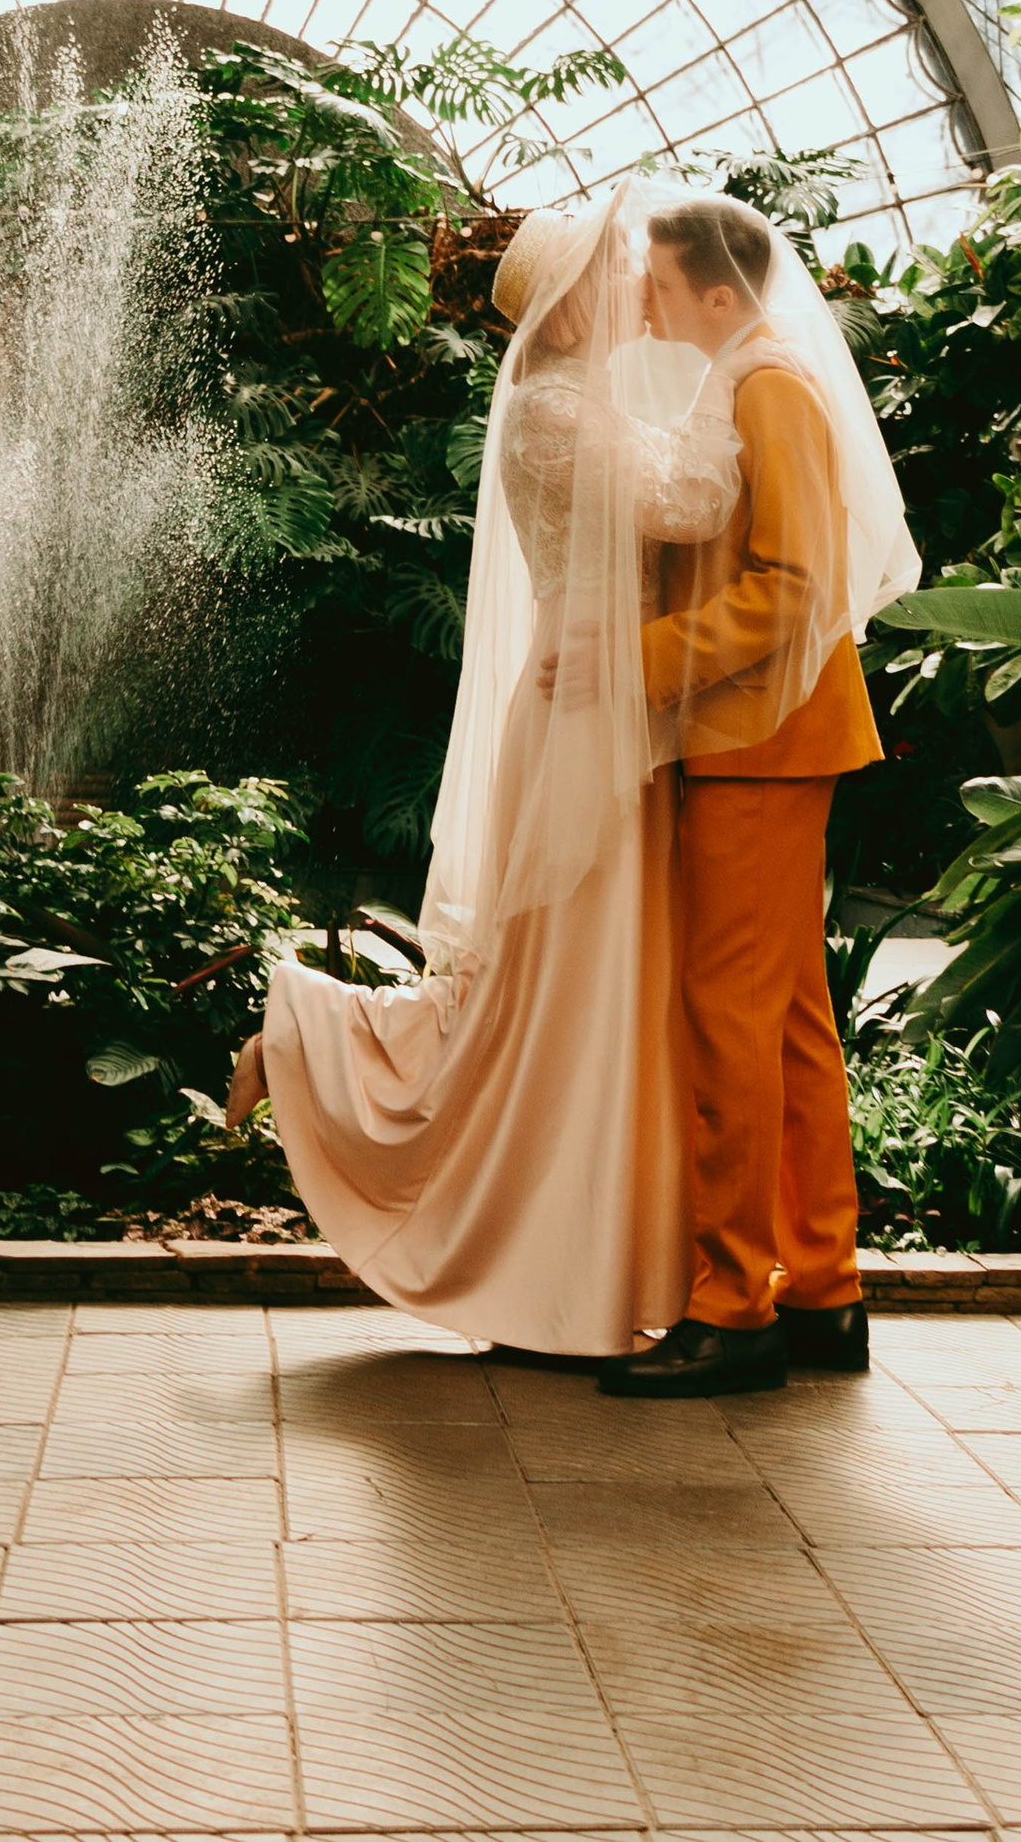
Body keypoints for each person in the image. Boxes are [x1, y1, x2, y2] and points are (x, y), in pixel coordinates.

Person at [222, 192, 744, 1357]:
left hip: (600, 703)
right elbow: (690, 501)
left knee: (560, 994)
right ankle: (316, 1051)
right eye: (614, 274)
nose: (631, 286)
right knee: (561, 993)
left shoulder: (577, 406)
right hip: (581, 720)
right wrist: (734, 376)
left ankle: (568, 1266)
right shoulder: (560, 412)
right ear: (561, 316)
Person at [598, 190, 920, 1399]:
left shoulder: (765, 386)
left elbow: (792, 585)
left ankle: (735, 1307)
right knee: (784, 1020)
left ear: (719, 297)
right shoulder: (749, 378)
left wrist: (633, 661)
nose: (646, 301)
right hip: (771, 736)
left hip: (760, 737)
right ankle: (824, 1291)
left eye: (664, 287)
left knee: (729, 1018)